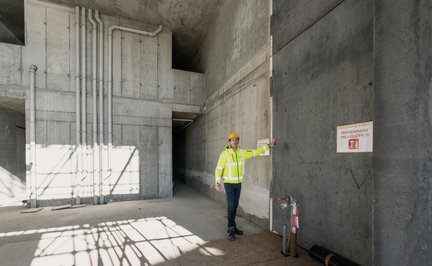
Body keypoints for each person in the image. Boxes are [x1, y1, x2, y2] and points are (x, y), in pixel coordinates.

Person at [215, 132, 276, 240]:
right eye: (232, 139)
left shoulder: (242, 152)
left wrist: (268, 146)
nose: (235, 141)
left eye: (236, 139)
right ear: (229, 141)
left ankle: (232, 226)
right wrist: (217, 182)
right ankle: (231, 228)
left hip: (238, 184)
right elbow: (219, 168)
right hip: (229, 183)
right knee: (232, 205)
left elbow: (254, 152)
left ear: (238, 141)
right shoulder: (225, 154)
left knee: (235, 205)